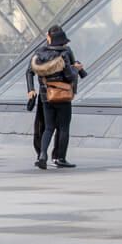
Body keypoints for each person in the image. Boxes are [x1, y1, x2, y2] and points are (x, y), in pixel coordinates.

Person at [25, 26, 82, 169]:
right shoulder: (64, 54)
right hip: (62, 95)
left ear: (50, 37)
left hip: (46, 96)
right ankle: (60, 158)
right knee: (63, 127)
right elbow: (69, 76)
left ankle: (43, 155)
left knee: (48, 127)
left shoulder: (39, 54)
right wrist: (77, 69)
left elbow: (29, 72)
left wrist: (31, 89)